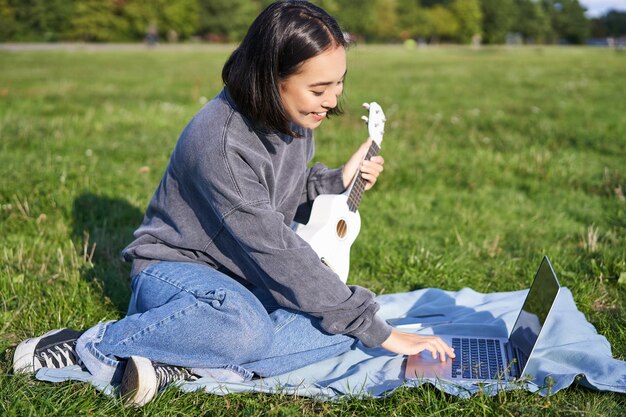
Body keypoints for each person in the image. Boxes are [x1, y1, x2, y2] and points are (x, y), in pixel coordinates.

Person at [13, 0, 454, 407]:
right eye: (319, 88)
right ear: (270, 77)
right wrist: (377, 329)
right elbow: (274, 248)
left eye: (339, 83)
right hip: (177, 273)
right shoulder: (220, 142)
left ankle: (178, 362)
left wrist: (336, 180)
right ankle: (90, 344)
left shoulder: (293, 117)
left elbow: (280, 192)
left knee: (341, 326)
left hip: (242, 278)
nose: (333, 99)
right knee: (278, 325)